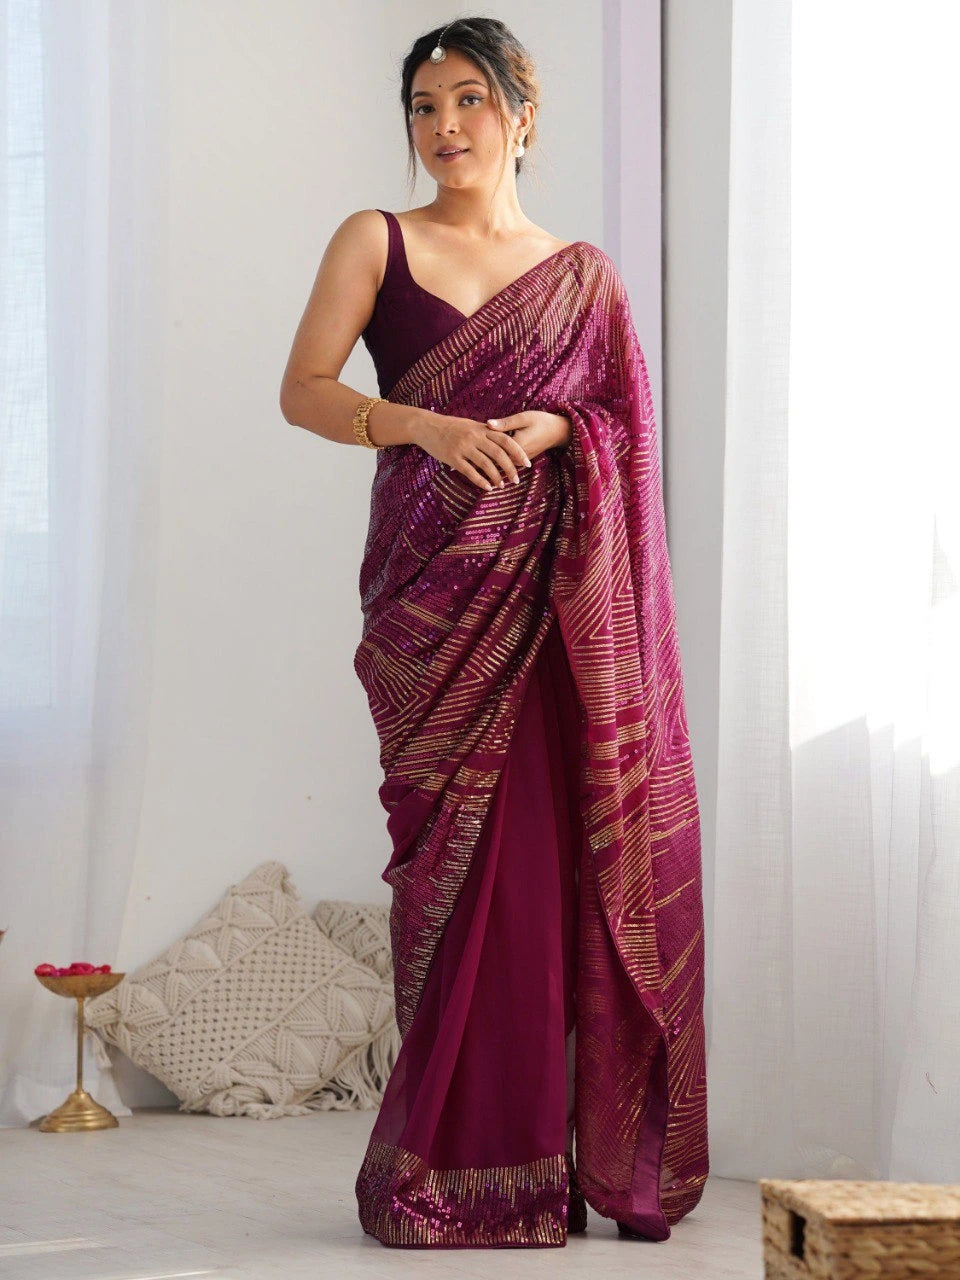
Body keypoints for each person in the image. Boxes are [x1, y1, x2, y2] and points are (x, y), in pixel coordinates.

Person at [279, 15, 708, 1250]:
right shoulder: (377, 239)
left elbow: (625, 426)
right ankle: (438, 1168)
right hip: (431, 601)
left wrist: (563, 435)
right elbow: (304, 388)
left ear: (524, 113)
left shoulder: (582, 275)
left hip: (553, 612)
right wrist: (422, 427)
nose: (446, 127)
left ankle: (528, 1174)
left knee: (534, 878)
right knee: (450, 884)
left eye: (471, 100)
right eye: (423, 106)